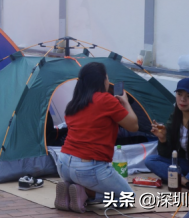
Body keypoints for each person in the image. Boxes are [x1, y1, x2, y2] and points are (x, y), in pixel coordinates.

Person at [54, 62, 139, 213]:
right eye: (107, 78)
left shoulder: (73, 104)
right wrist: (125, 102)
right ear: (103, 80)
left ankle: (71, 189)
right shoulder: (106, 100)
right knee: (127, 198)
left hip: (63, 163)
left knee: (83, 176)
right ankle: (86, 193)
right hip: (89, 167)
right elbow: (133, 126)